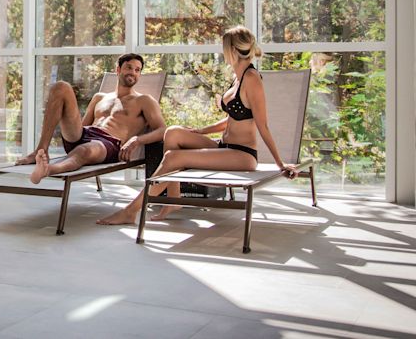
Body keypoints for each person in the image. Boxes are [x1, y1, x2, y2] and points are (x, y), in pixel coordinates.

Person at [97, 26, 300, 225]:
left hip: (242, 155)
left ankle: (131, 211)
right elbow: (234, 118)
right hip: (223, 146)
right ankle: (173, 198)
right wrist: (201, 131)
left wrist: (280, 164)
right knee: (173, 132)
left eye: (223, 47)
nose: (222, 52)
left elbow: (262, 124)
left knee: (173, 158)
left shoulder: (251, 78)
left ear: (231, 49)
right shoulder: (237, 77)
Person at [16, 53, 166, 185]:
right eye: (129, 67)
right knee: (61, 87)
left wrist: (137, 140)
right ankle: (41, 150)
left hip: (109, 144)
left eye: (137, 70)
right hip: (84, 135)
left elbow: (162, 130)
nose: (133, 72)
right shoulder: (99, 97)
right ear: (118, 70)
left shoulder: (145, 101)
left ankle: (47, 170)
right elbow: (82, 127)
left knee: (85, 149)